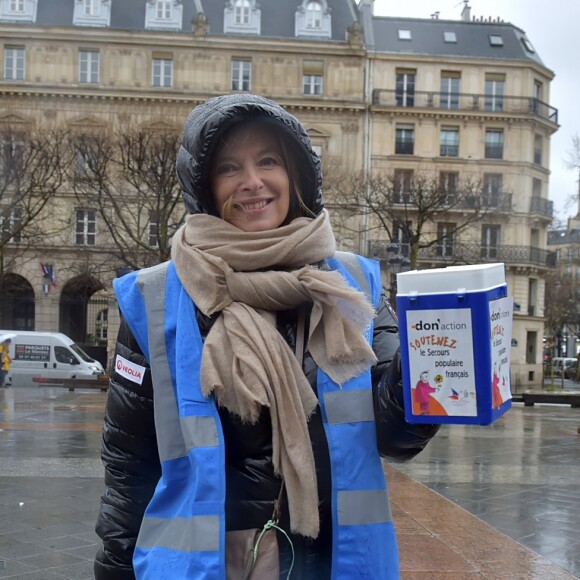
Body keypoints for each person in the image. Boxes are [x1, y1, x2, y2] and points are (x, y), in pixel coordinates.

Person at [94, 93, 440, 580]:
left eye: (269, 161)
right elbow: (129, 469)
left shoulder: (352, 285)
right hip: (207, 567)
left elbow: (393, 433)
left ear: (296, 173)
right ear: (205, 187)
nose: (253, 182)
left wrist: (426, 370)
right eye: (229, 168)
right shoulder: (154, 297)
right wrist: (113, 570)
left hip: (334, 561)